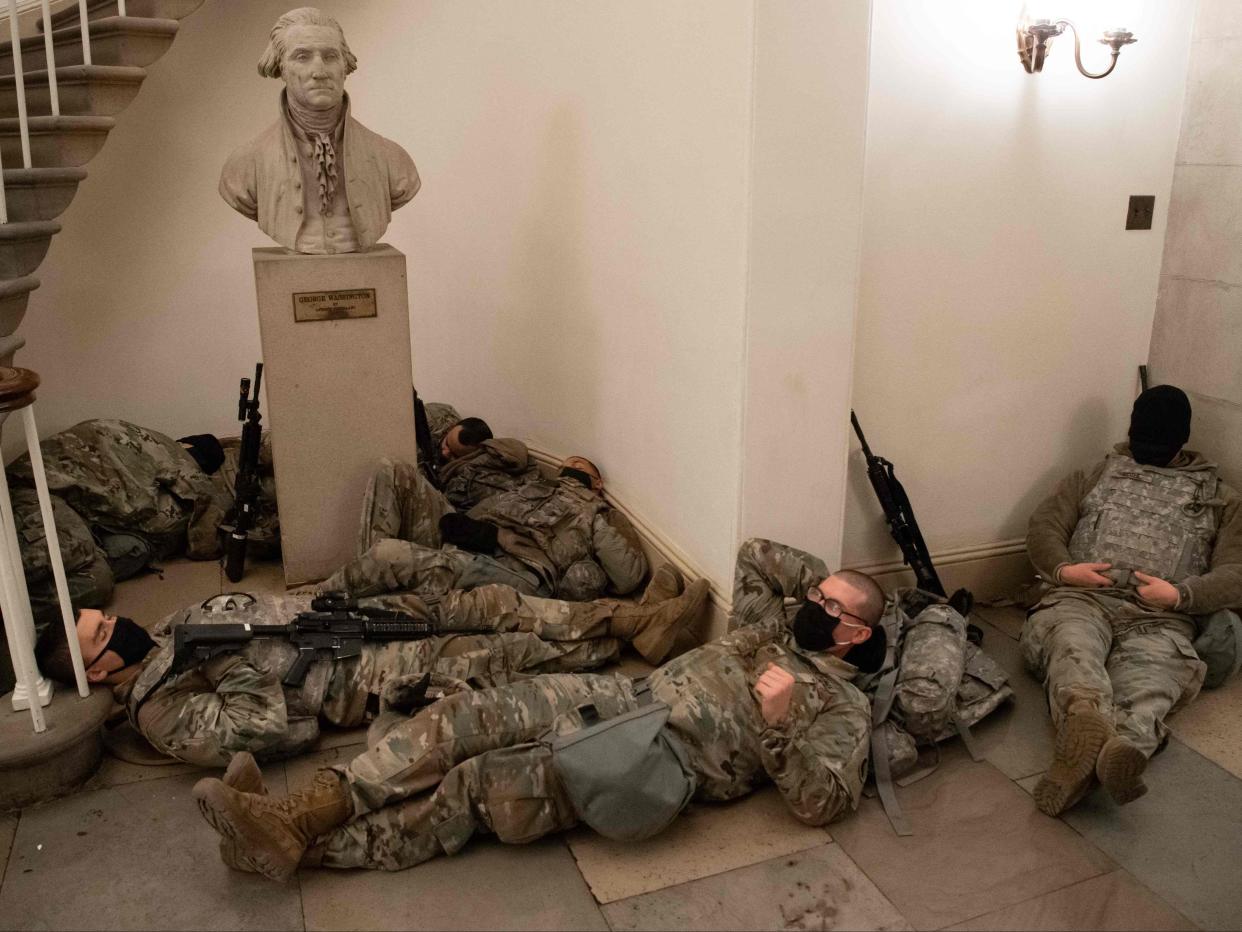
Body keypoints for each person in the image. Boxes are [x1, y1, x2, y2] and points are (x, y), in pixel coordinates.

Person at [189, 539, 885, 881]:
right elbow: (757, 555)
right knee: (459, 719)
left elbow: (821, 802)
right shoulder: (772, 627)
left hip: (652, 758)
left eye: (830, 609)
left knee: (474, 790)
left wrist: (782, 722)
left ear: (854, 636)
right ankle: (297, 812)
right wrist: (839, 587)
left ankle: (295, 849)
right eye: (816, 597)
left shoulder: (842, 705)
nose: (811, 610)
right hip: (622, 695)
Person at [34, 566, 708, 768]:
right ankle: (636, 634)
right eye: (101, 635)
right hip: (362, 675)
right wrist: (229, 656)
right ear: (99, 673)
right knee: (508, 655)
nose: (114, 624)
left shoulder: (160, 637)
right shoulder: (162, 710)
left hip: (343, 619)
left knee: (487, 603)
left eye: (101, 617)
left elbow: (255, 610)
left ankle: (623, 615)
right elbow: (268, 729)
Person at [1021, 384, 1242, 816]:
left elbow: (1235, 572)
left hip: (1162, 618)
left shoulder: (1222, 498)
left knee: (1154, 681)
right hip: (1082, 600)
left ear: (1182, 440)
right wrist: (1067, 571)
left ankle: (1110, 750)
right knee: (1072, 647)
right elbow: (1044, 527)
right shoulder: (1096, 474)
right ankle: (1090, 722)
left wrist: (1181, 594)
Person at [218, 7, 420, 254]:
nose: (320, 72)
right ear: (280, 67)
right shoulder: (246, 164)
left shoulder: (392, 159)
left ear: (345, 66)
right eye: (302, 57)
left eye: (330, 56)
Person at [334, 454, 647, 604]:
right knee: (393, 470)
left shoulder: (595, 512)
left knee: (392, 554)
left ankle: (322, 597)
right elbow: (480, 507)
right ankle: (368, 579)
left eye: (579, 468)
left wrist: (594, 508)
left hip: (512, 567)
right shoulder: (532, 484)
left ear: (597, 483)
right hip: (471, 535)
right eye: (566, 465)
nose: (569, 467)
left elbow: (627, 576)